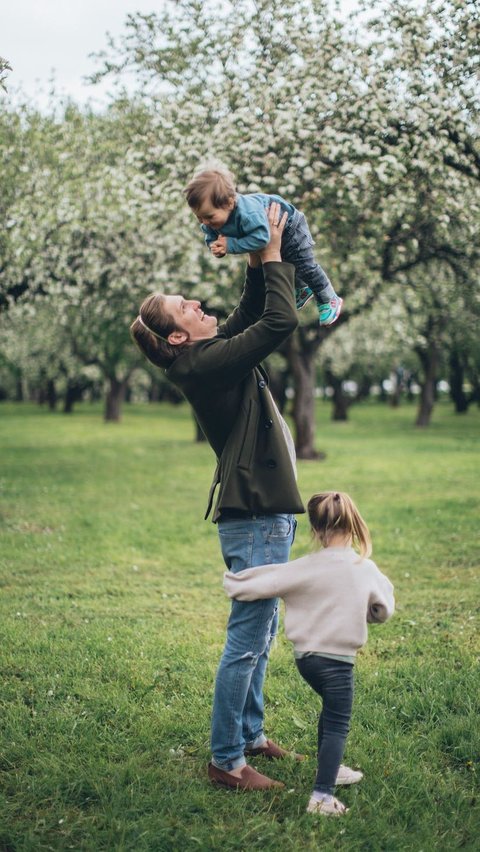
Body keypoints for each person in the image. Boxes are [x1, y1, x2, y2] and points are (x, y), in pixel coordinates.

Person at [130, 203, 305, 791]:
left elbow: (253, 309)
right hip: (254, 516)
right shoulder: (204, 365)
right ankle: (227, 759)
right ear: (179, 335)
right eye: (188, 308)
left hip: (265, 512)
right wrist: (275, 256)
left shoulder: (208, 354)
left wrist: (258, 250)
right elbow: (279, 322)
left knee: (263, 632)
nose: (200, 306)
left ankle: (250, 735)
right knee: (247, 638)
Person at [224, 491, 395, 816]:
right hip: (338, 663)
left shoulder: (304, 567)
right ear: (354, 524)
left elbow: (262, 583)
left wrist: (233, 581)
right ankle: (321, 796)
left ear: (315, 531)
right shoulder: (365, 568)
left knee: (330, 715)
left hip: (307, 660)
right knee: (336, 723)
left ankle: (330, 768)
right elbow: (383, 609)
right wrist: (368, 611)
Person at [184, 167, 343, 326]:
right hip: (273, 232)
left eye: (209, 217)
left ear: (230, 203)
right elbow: (210, 234)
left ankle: (328, 298)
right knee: (286, 262)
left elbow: (261, 239)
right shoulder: (212, 218)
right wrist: (215, 247)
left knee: (304, 265)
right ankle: (302, 289)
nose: (204, 222)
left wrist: (230, 245)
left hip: (291, 227)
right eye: (199, 217)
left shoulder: (248, 214)